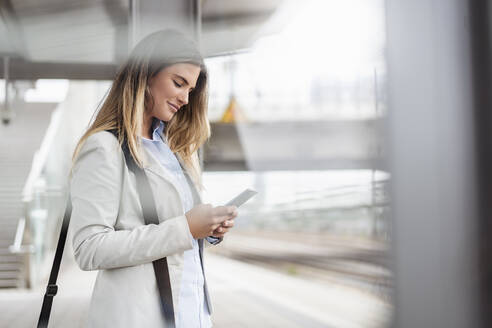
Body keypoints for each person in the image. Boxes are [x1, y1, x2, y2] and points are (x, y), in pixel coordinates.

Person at [69, 29, 238, 328]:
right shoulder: (104, 148)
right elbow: (89, 248)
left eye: (191, 89)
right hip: (139, 317)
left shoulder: (171, 150)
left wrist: (207, 229)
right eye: (178, 83)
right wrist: (186, 227)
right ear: (146, 74)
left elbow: (170, 240)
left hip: (192, 315)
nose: (186, 98)